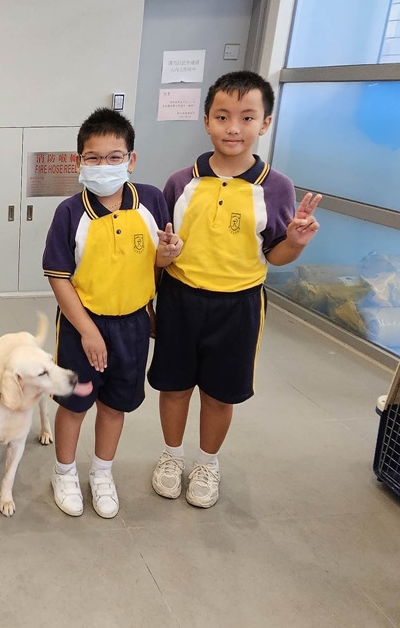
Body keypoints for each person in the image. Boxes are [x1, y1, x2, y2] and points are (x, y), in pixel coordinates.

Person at [148, 71, 322, 508]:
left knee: (220, 393)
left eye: (247, 117)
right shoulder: (179, 182)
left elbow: (275, 255)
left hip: (239, 305)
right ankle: (171, 456)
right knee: (174, 387)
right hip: (180, 299)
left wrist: (296, 242)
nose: (233, 128)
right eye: (223, 116)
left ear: (265, 123)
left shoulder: (276, 186)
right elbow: (160, 252)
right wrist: (151, 300)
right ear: (206, 120)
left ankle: (207, 463)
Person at [42, 109, 181, 519]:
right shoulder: (70, 212)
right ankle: (64, 473)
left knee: (115, 405)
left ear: (131, 160)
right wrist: (87, 331)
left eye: (115, 156)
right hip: (81, 324)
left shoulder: (151, 200)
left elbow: (156, 259)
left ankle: (102, 473)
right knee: (75, 403)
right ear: (79, 162)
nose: (104, 165)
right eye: (94, 157)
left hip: (132, 325)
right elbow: (59, 277)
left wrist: (168, 255)